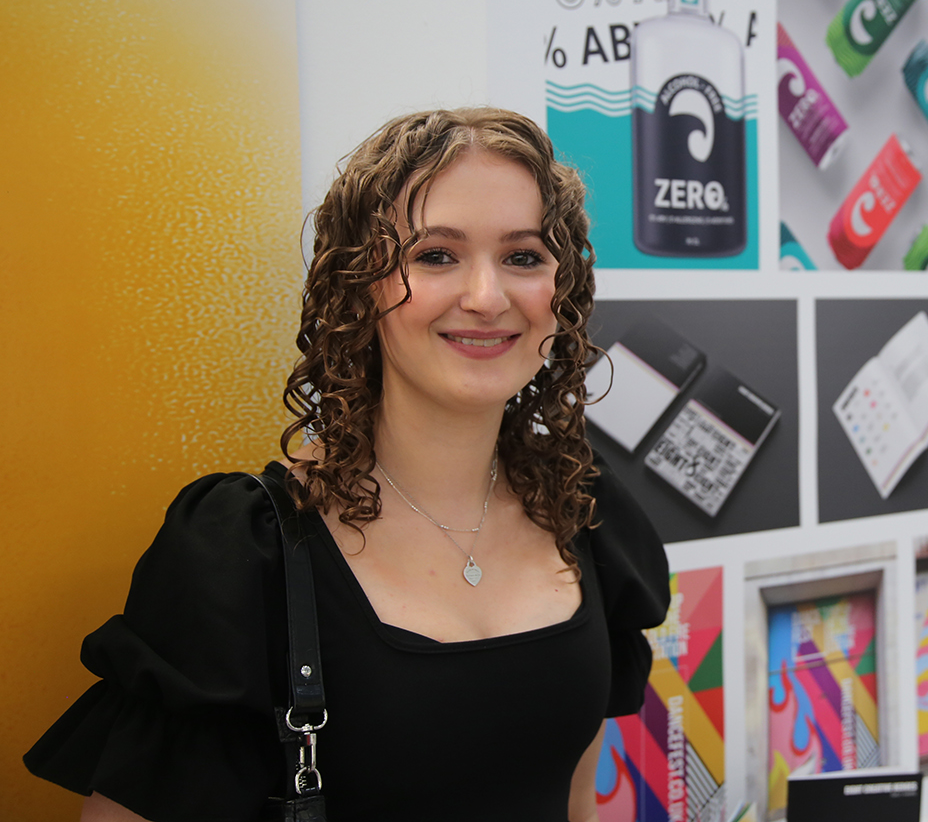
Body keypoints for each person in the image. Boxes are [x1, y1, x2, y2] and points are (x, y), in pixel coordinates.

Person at [24, 108, 670, 821]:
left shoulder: (588, 515)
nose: (487, 298)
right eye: (434, 255)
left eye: (523, 257)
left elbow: (578, 801)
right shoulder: (243, 555)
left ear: (561, 292)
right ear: (358, 283)